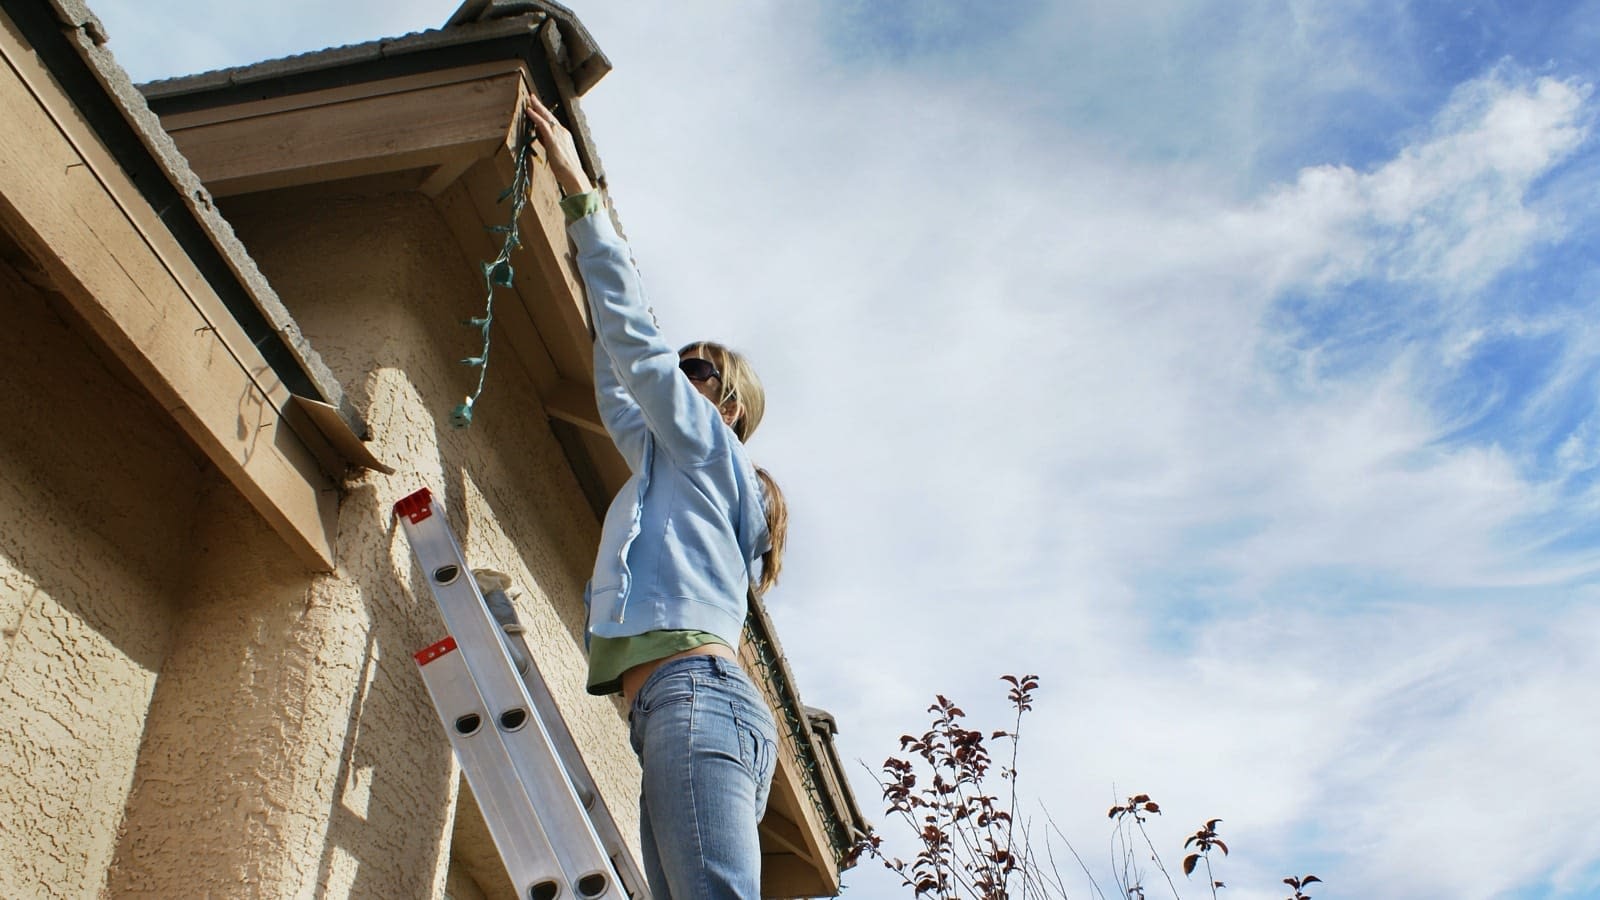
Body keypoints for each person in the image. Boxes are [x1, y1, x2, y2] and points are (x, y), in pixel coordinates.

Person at [525, 91, 788, 900]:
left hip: (695, 699)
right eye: (679, 367)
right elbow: (620, 380)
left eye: (696, 372)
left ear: (728, 405)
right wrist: (596, 271)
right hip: (676, 711)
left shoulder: (712, 452)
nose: (678, 377)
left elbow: (636, 353)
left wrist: (581, 201)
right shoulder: (668, 470)